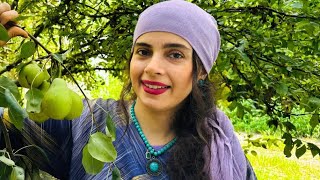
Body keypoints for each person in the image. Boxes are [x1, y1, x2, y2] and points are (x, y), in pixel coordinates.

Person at [0, 0, 257, 179]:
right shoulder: (84, 124)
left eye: (175, 54)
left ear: (201, 71)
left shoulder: (221, 151)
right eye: (144, 51)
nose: (153, 67)